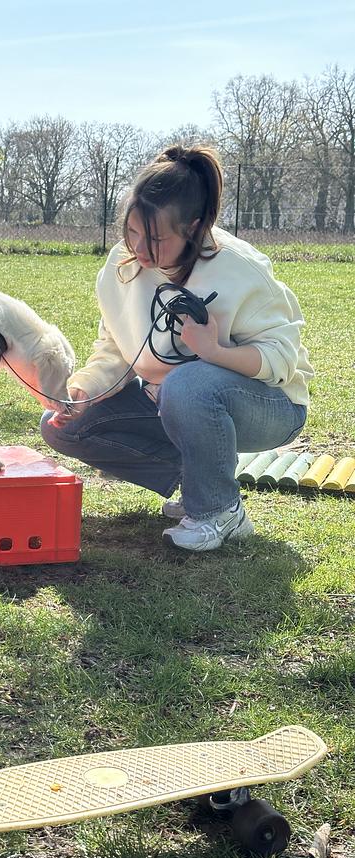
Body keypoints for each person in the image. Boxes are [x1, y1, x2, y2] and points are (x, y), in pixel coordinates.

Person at [40, 144, 313, 552]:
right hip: (173, 399)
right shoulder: (121, 266)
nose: (140, 249)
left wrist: (215, 351)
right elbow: (116, 347)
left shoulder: (239, 267)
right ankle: (202, 477)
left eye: (156, 238)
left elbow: (282, 360)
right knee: (61, 426)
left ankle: (220, 511)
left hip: (272, 405)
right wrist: (84, 390)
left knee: (184, 384)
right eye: (132, 232)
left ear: (193, 227)